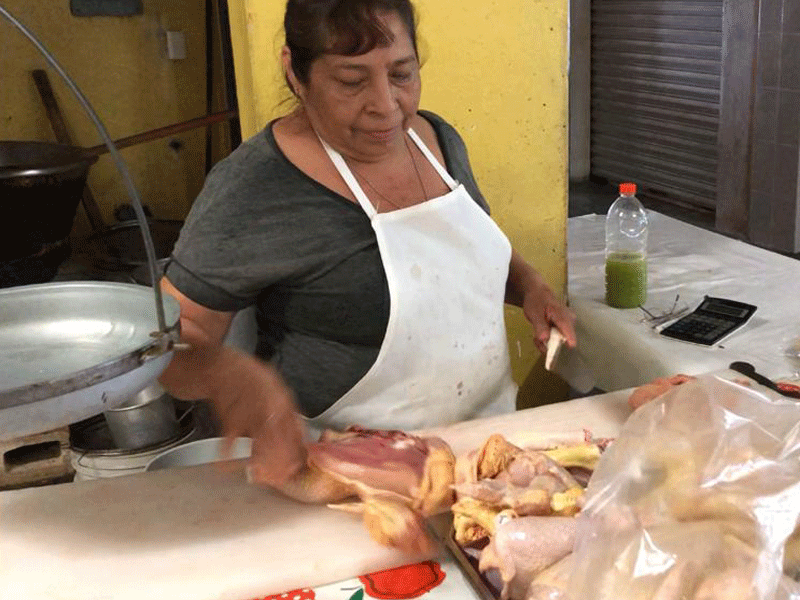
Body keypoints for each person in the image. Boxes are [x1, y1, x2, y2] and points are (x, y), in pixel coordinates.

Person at [159, 0, 576, 487]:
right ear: (296, 72)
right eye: (352, 82)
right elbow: (166, 345)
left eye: (402, 74)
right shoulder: (253, 186)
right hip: (349, 480)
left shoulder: (437, 140)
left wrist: (530, 288)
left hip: (485, 458)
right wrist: (233, 378)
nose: (385, 105)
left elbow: (467, 251)